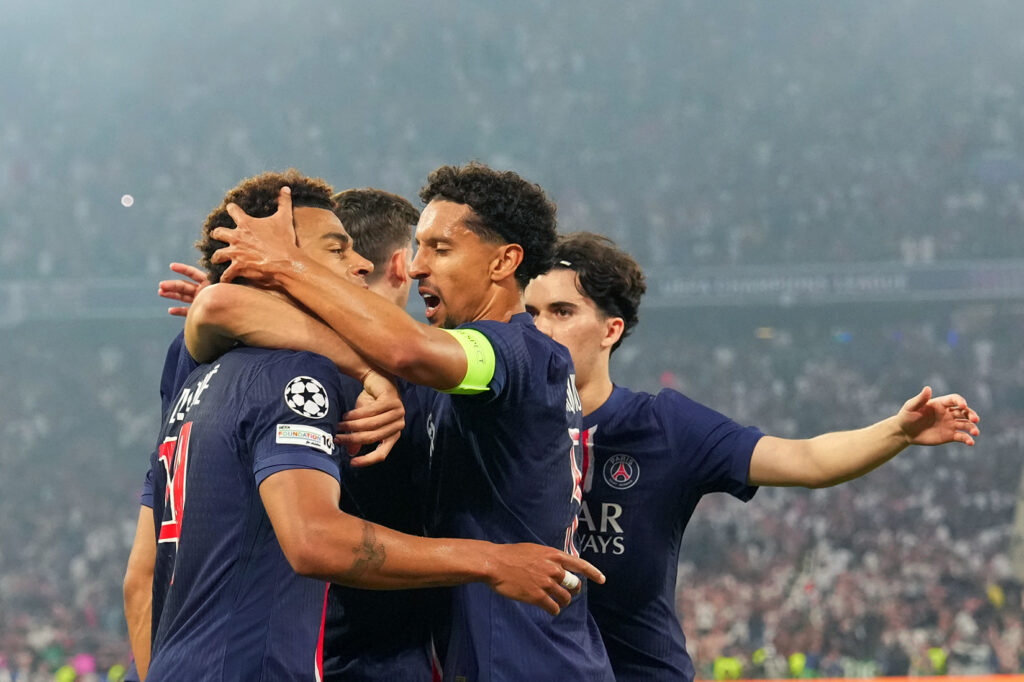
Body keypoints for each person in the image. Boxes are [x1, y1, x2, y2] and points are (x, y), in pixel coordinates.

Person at [127, 171, 603, 682]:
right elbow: (222, 308)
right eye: (418, 248)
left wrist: (282, 270)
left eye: (440, 248)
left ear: (504, 262)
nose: (415, 266)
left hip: (530, 658)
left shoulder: (519, 352)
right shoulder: (334, 376)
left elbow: (407, 350)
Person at [522, 231, 982, 682]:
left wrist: (897, 431)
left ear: (611, 329)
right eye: (530, 313)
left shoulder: (665, 426)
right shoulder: (501, 431)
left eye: (562, 311)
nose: (540, 328)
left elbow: (808, 461)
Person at [155, 187, 432, 680]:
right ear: (268, 262)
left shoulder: (196, 370)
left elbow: (140, 576)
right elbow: (315, 542)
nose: (359, 264)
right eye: (337, 249)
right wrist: (490, 562)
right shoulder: (296, 371)